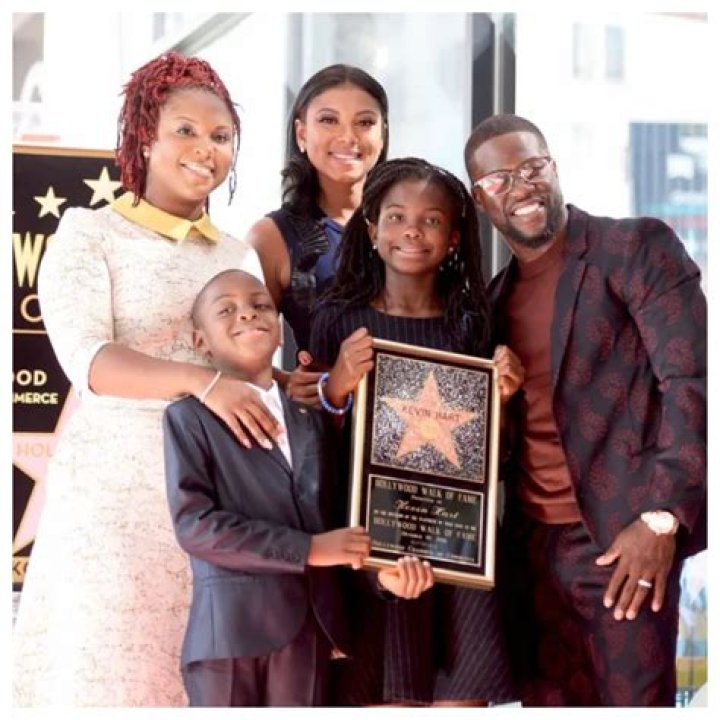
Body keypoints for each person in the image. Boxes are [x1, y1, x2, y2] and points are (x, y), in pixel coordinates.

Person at [12, 52, 280, 707]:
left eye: (221, 136)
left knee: (201, 684)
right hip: (114, 499)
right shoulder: (90, 233)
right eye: (185, 130)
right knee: (108, 677)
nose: (205, 148)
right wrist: (203, 382)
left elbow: (251, 369)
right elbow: (89, 362)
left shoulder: (238, 254)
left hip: (214, 499)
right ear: (144, 138)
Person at [464, 113, 707, 706]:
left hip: (623, 542)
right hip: (531, 558)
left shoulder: (633, 249)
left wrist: (662, 519)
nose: (521, 186)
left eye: (532, 167)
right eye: (499, 180)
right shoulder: (492, 301)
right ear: (480, 199)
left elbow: (691, 381)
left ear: (553, 167)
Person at [309, 157, 523, 706]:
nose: (412, 231)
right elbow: (310, 449)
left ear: (453, 238)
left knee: (461, 694)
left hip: (459, 544)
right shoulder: (338, 320)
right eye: (397, 217)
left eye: (431, 220)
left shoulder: (473, 325)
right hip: (370, 547)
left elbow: (495, 460)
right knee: (382, 693)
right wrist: (337, 386)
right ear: (371, 230)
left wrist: (501, 400)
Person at [163, 268, 374, 706]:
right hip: (228, 635)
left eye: (260, 305)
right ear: (201, 341)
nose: (247, 314)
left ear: (279, 328)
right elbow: (196, 526)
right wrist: (309, 549)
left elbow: (337, 512)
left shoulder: (312, 418)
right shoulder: (188, 417)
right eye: (226, 310)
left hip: (310, 632)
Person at [244, 64, 388, 404]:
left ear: (382, 135)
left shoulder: (411, 226)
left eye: (365, 122)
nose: (348, 137)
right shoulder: (272, 237)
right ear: (301, 134)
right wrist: (287, 383)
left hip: (423, 422)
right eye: (328, 120)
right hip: (325, 427)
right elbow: (239, 350)